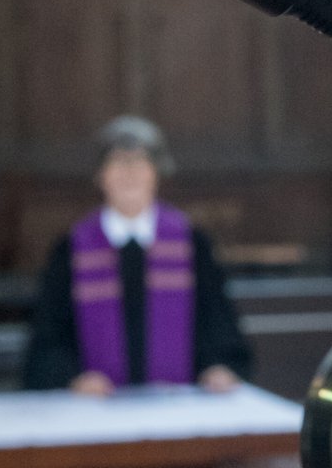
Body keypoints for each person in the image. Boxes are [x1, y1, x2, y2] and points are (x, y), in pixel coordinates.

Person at [23, 116, 252, 394]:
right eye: (118, 161)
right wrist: (72, 376)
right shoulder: (72, 248)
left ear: (157, 172)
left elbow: (217, 321)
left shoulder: (191, 243)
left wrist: (218, 367)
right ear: (100, 175)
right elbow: (49, 336)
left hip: (178, 409)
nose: (129, 172)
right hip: (97, 413)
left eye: (140, 161)